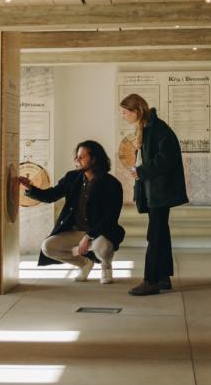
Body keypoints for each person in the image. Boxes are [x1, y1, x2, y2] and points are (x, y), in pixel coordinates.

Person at [18, 140, 124, 284]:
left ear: (94, 159)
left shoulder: (112, 184)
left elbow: (110, 218)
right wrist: (30, 188)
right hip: (76, 232)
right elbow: (51, 196)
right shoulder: (72, 178)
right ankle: (84, 264)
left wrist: (88, 236)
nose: (76, 160)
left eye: (81, 157)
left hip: (101, 232)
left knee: (101, 246)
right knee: (47, 247)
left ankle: (106, 266)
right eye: (77, 156)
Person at [120, 94, 188, 296]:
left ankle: (150, 280)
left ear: (136, 111)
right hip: (156, 191)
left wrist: (141, 171)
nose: (123, 116)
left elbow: (166, 159)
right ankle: (163, 278)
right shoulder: (149, 128)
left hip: (160, 192)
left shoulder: (158, 129)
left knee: (155, 235)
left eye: (125, 112)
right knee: (160, 234)